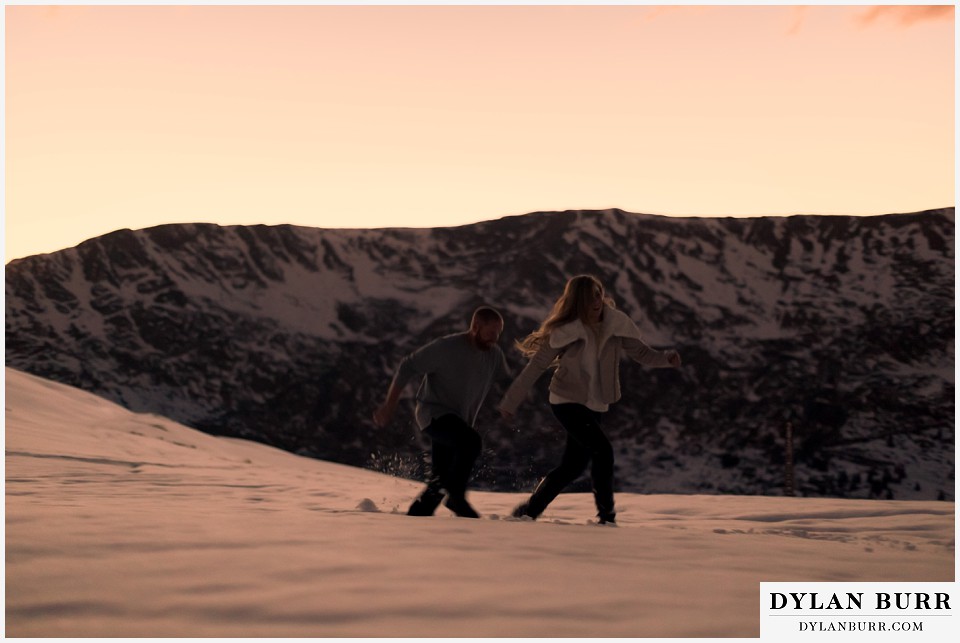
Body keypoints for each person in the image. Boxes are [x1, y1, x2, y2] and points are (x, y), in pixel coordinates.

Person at [498, 275, 681, 524]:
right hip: (566, 400)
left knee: (573, 466)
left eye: (598, 294)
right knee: (603, 451)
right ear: (577, 301)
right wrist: (511, 401)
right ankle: (607, 517)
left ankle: (529, 511)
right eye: (589, 296)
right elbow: (536, 366)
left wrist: (665, 359)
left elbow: (640, 352)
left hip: (596, 402)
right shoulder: (566, 330)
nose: (596, 301)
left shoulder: (616, 323)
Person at [374, 306, 509, 518]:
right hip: (434, 414)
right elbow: (407, 366)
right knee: (471, 442)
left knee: (438, 482)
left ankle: (416, 518)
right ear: (475, 327)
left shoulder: (494, 355)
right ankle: (456, 498)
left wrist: (514, 400)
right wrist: (389, 404)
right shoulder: (447, 347)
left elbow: (507, 381)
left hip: (458, 419)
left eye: (499, 332)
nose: (495, 338)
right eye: (491, 332)